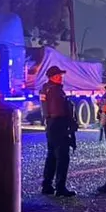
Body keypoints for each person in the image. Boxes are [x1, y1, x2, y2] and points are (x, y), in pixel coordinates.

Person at [39, 65, 77, 197]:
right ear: (51, 77)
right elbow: (59, 110)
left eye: (61, 76)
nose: (60, 78)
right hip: (58, 125)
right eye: (57, 76)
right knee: (62, 157)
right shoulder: (55, 91)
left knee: (52, 156)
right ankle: (60, 188)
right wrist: (70, 123)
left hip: (50, 125)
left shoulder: (45, 89)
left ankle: (47, 185)